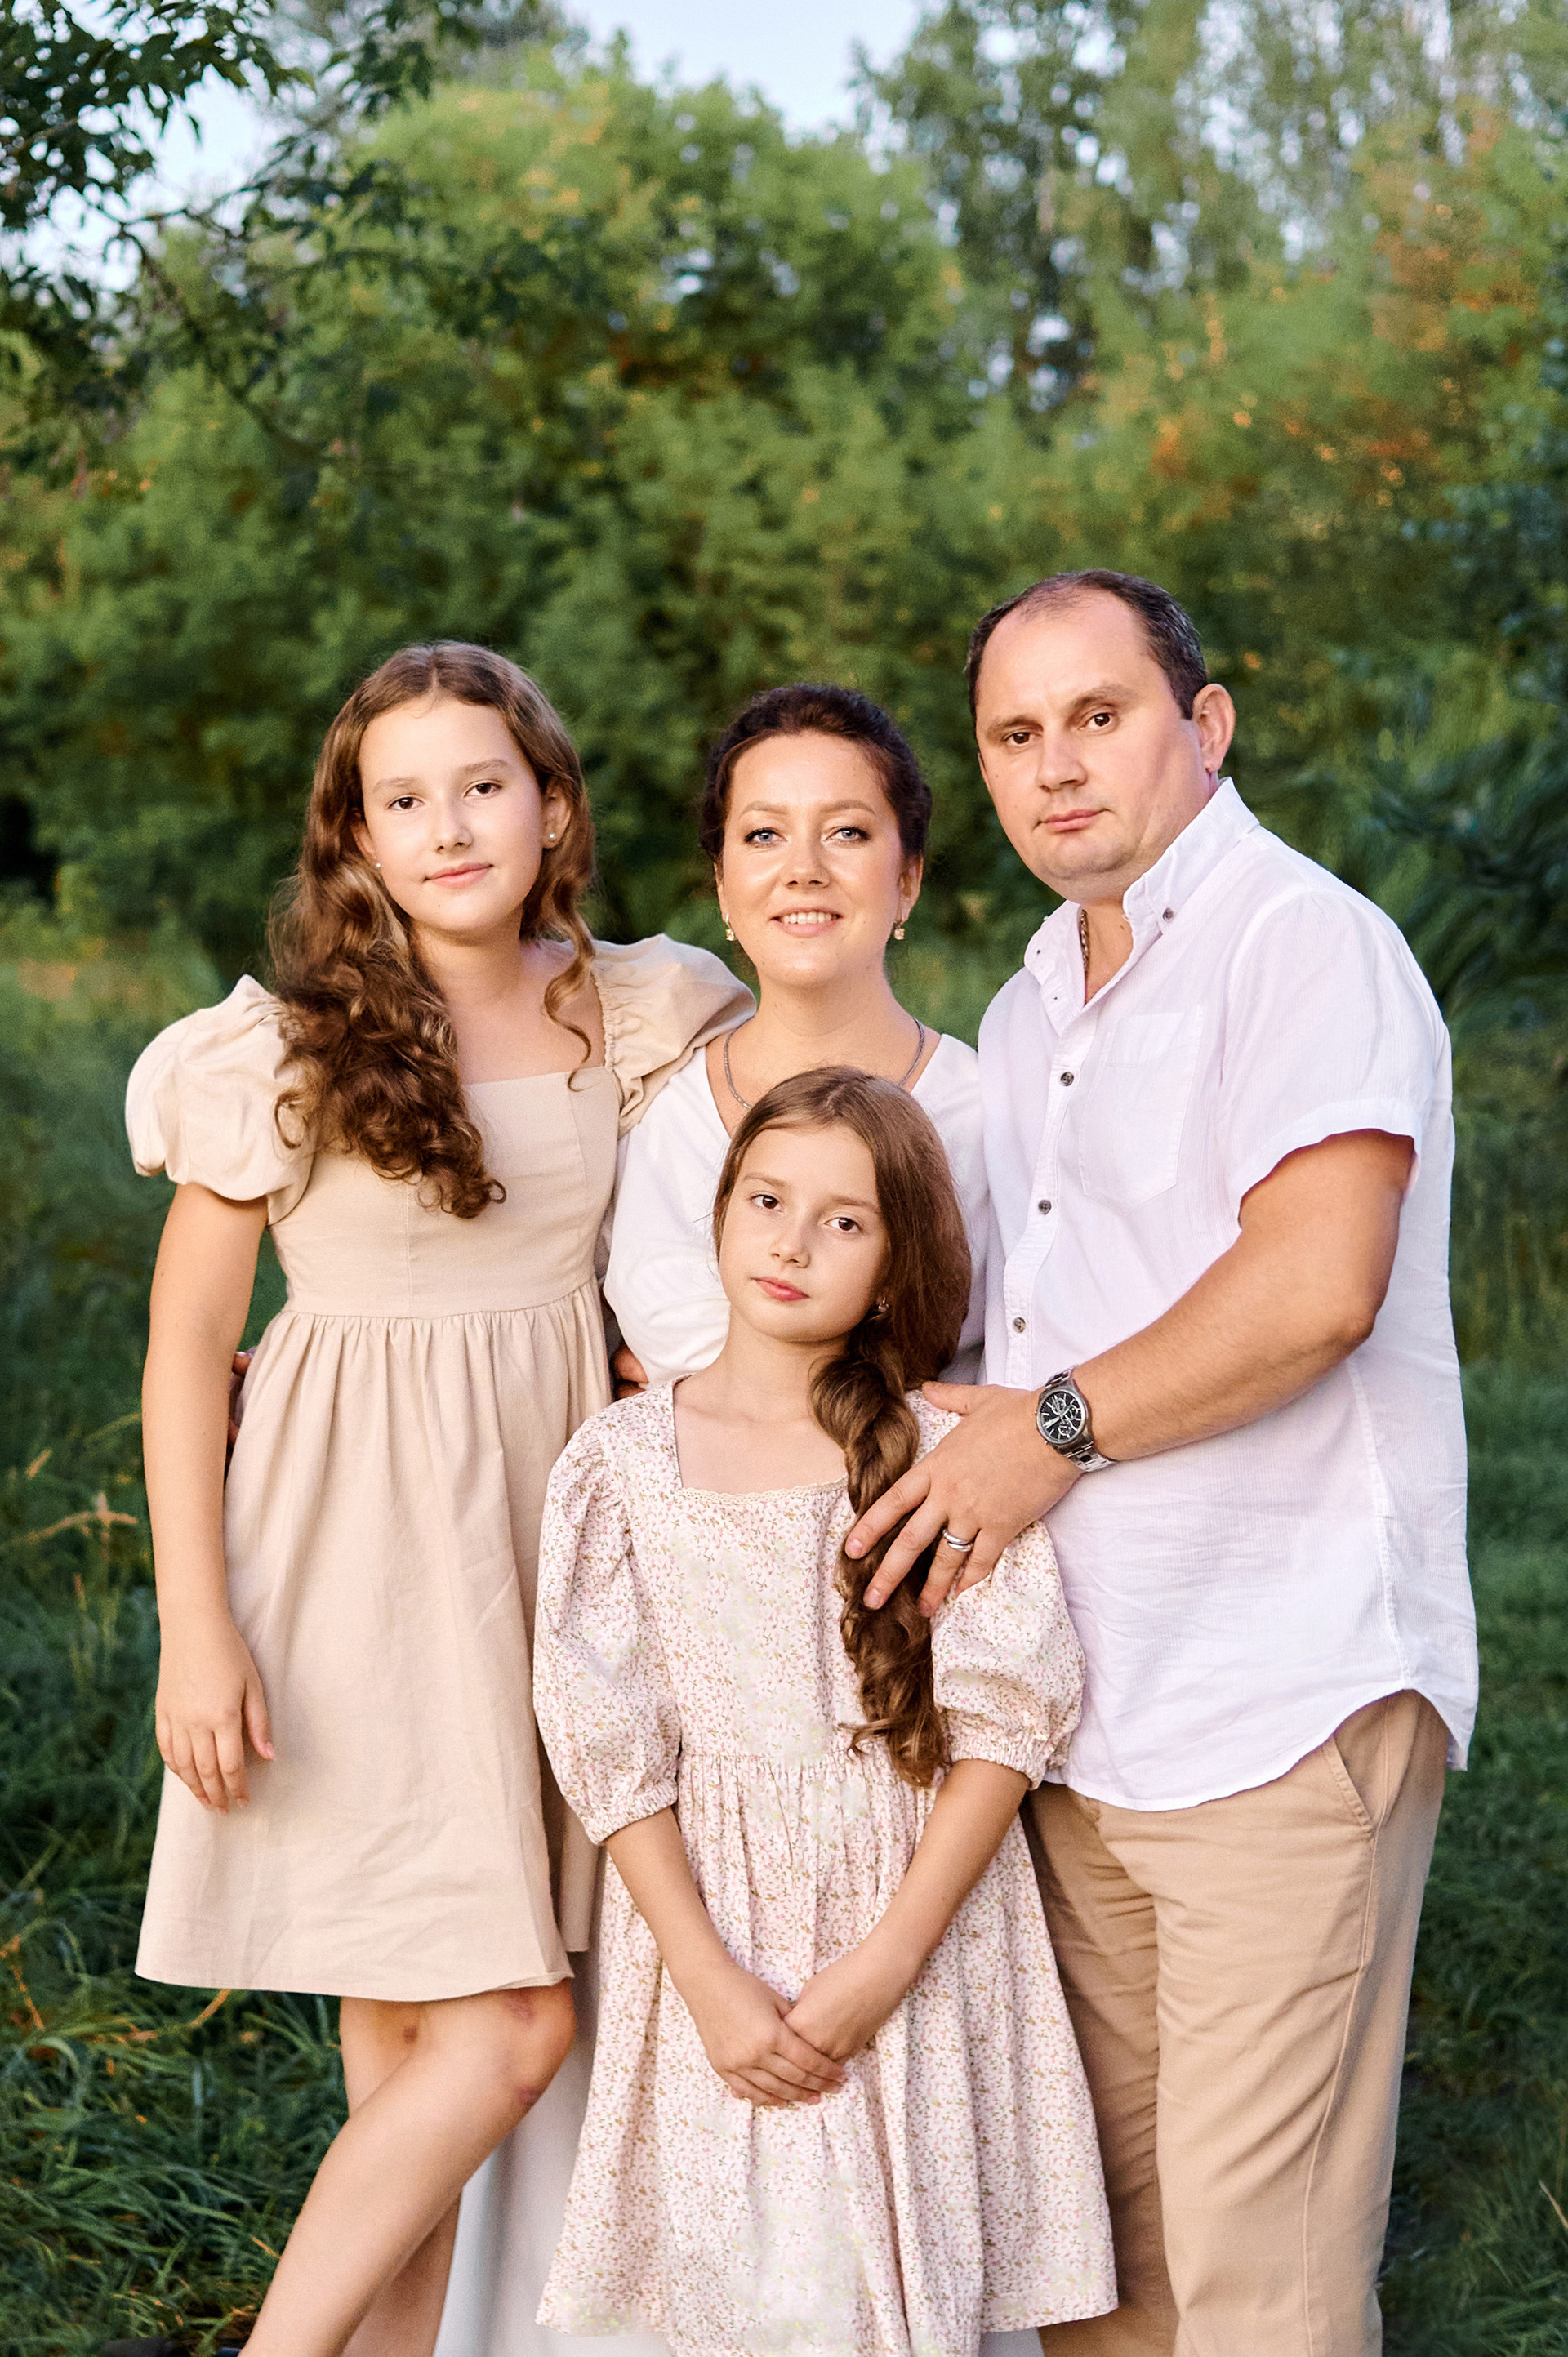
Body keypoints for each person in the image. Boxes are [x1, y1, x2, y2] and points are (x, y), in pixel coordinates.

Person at [843, 572, 1477, 2354]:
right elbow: (1017, 1326)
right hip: (1080, 1714)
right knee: (1101, 2268)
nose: (1056, 766)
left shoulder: (1302, 943)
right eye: (1014, 735)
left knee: (1260, 2278)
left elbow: (1317, 1285)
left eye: (1098, 717)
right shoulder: (1032, 1004)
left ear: (1205, 726)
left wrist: (1047, 1434)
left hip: (1278, 1694)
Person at [127, 642, 749, 2357]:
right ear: (358, 840)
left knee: (415, 2064)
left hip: (556, 1538)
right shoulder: (283, 1050)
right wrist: (197, 1629)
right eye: (404, 800)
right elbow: (182, 1353)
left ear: (553, 806)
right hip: (351, 1554)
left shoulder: (641, 1009)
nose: (451, 826)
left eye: (484, 785)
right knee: (508, 2032)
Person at [532, 1069, 1116, 2354]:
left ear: (896, 1266)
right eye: (767, 1200)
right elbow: (610, 1750)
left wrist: (891, 1956)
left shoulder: (942, 1456)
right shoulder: (620, 1462)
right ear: (720, 1213)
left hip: (910, 1919)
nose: (792, 1243)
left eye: (844, 1220)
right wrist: (705, 1976)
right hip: (713, 1931)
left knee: (888, 2292)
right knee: (757, 2293)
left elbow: (1005, 1723)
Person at [605, 682, 987, 1388]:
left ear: (907, 879)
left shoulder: (989, 1115)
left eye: (846, 832)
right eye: (764, 835)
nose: (804, 870)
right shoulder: (657, 1113)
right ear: (723, 884)